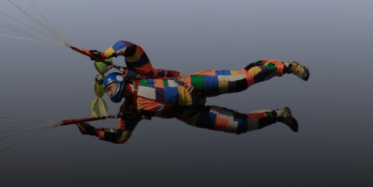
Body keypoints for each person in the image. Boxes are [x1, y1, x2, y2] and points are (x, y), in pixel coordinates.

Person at [76, 40, 309, 144]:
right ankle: (280, 115)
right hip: (191, 114)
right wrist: (94, 133)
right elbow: (121, 137)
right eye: (107, 92)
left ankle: (286, 67)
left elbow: (129, 47)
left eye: (109, 87)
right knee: (239, 125)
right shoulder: (129, 111)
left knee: (242, 80)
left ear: (117, 79)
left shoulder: (140, 74)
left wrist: (105, 54)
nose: (110, 93)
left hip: (193, 84)